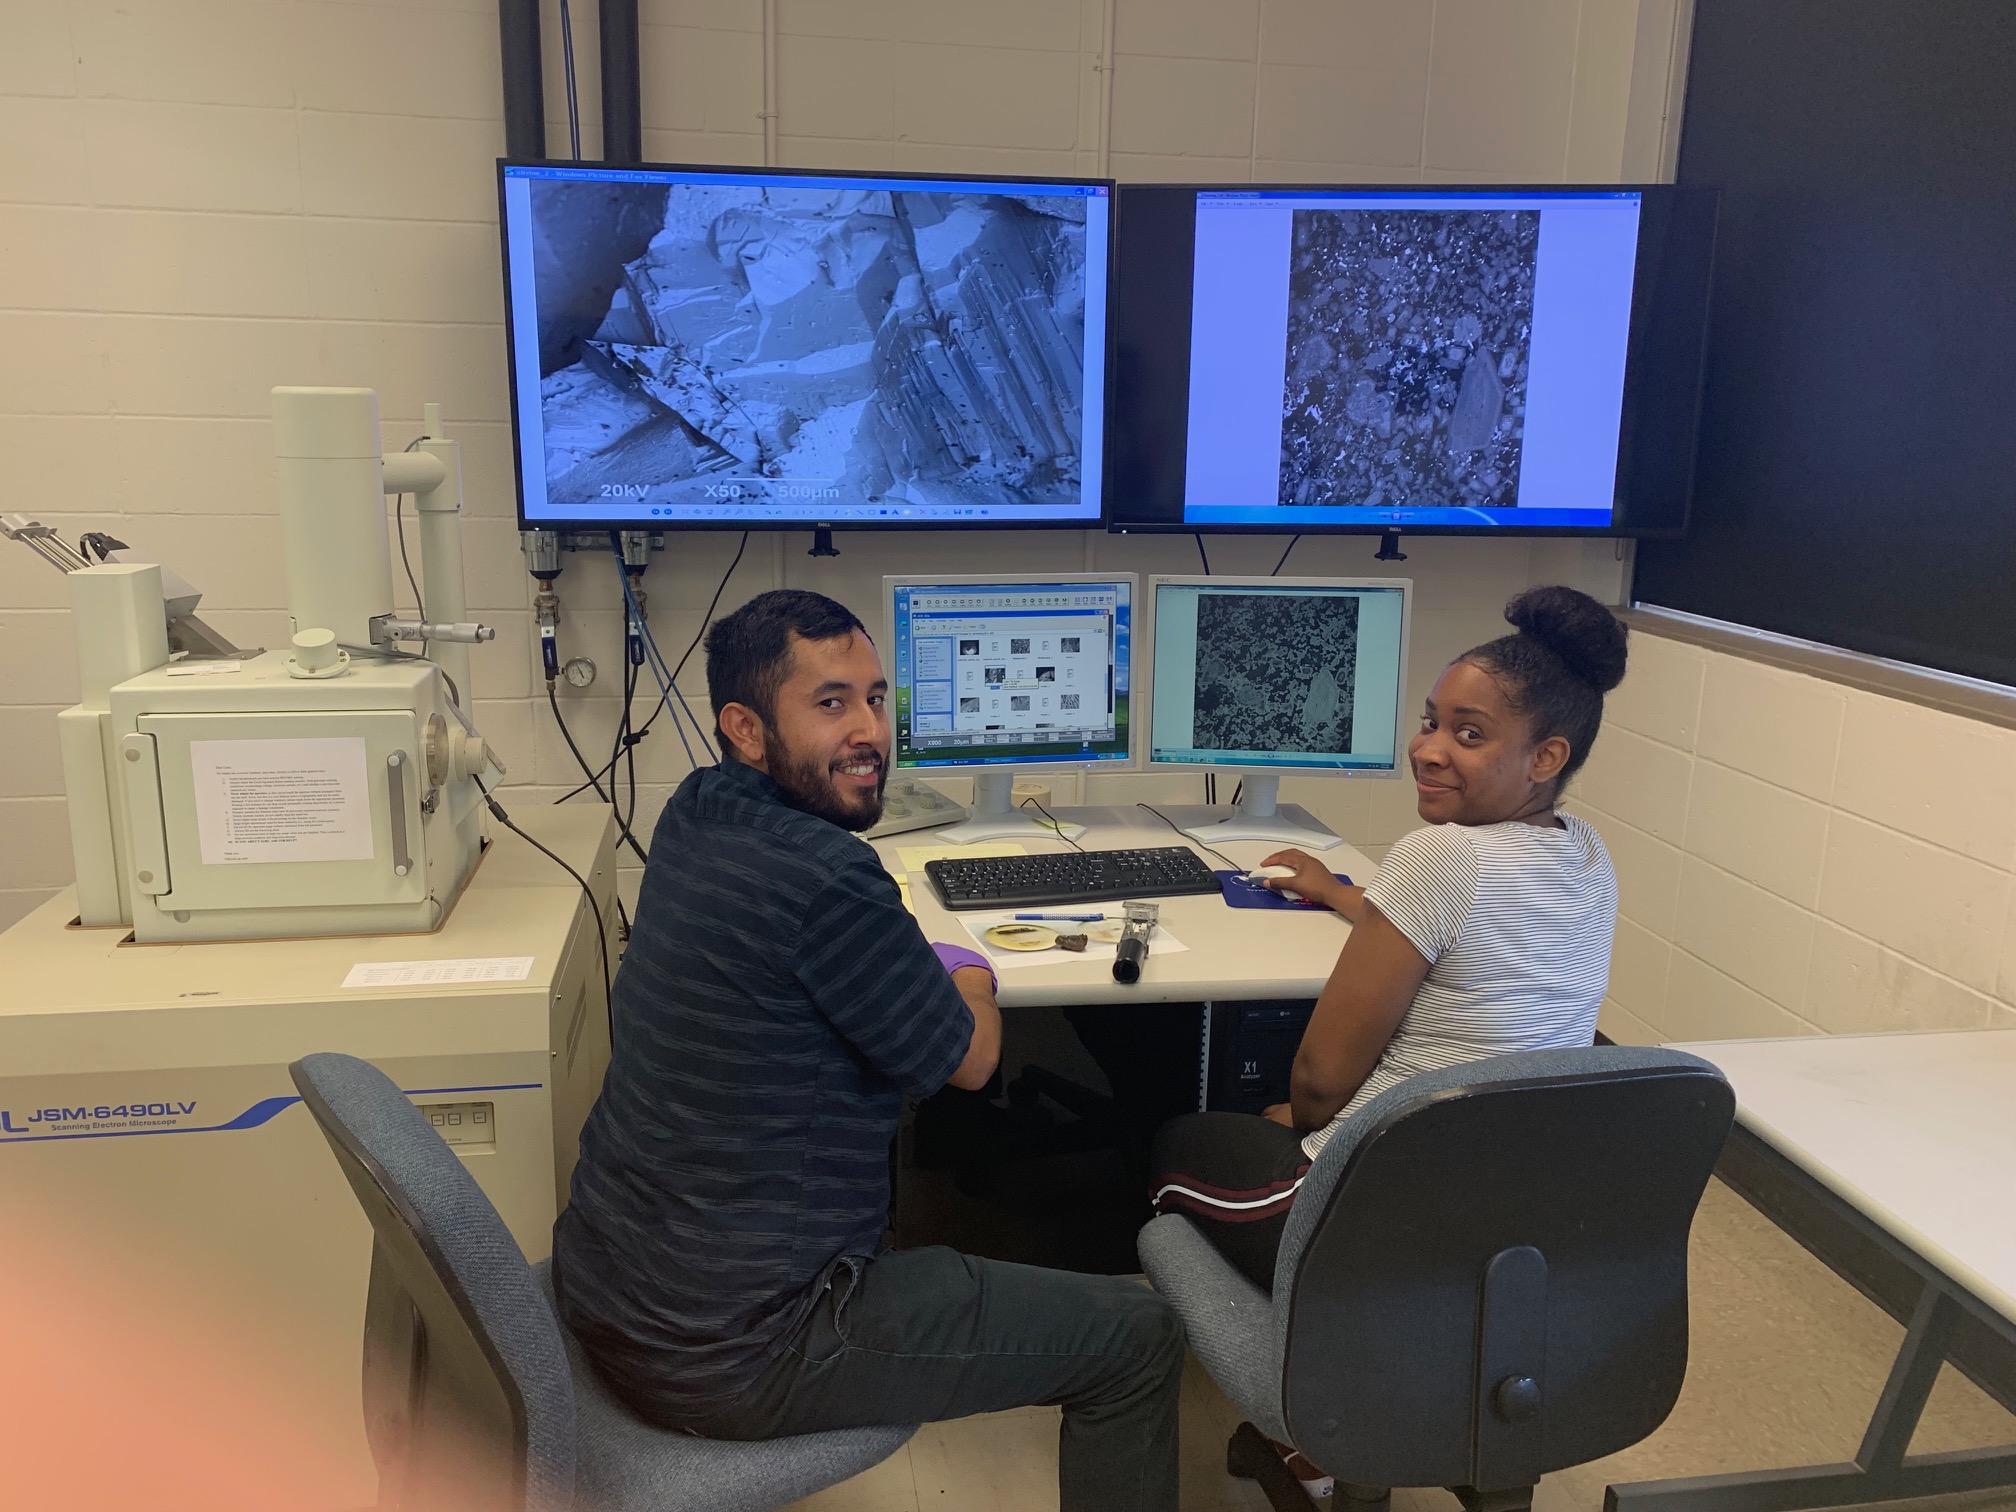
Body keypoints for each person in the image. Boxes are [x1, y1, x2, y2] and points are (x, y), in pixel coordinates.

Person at [553, 589, 1185, 1512]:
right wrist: (965, 967)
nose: (869, 731)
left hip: (620, 1289)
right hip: (747, 1348)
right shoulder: (829, 881)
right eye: (830, 703)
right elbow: (969, 1062)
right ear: (745, 726)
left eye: (876, 699)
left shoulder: (694, 811)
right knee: (1142, 1336)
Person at [1151, 586, 1629, 1294]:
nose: (1428, 750)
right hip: (1501, 1200)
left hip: (1366, 1206)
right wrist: (1337, 893)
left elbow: (1317, 1083)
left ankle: (1276, 1338)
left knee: (1175, 1141)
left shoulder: (1439, 856)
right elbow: (1464, 926)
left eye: (1468, 735)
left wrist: (1297, 1123)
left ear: (1545, 757)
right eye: (1430, 721)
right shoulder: (1586, 852)